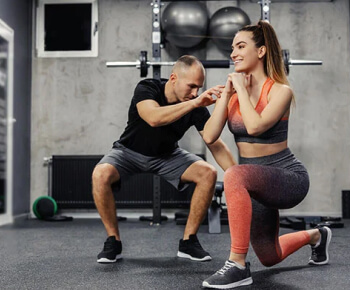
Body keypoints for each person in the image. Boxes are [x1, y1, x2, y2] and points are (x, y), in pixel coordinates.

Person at [201, 21, 332, 288]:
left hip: (288, 178)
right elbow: (209, 136)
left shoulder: (281, 91)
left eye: (240, 46)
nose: (233, 54)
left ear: (261, 52)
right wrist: (227, 95)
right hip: (253, 180)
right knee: (270, 256)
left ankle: (237, 264)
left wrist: (239, 90)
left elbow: (256, 125)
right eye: (232, 48)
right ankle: (317, 236)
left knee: (234, 174)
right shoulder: (234, 94)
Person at [92, 55, 236, 264]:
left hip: (167, 155)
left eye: (199, 88)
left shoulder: (194, 104)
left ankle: (188, 242)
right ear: (173, 78)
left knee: (208, 173)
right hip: (128, 152)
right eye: (191, 86)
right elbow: (153, 118)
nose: (195, 92)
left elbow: (215, 144)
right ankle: (113, 240)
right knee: (100, 173)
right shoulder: (147, 88)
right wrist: (196, 102)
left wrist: (239, 177)